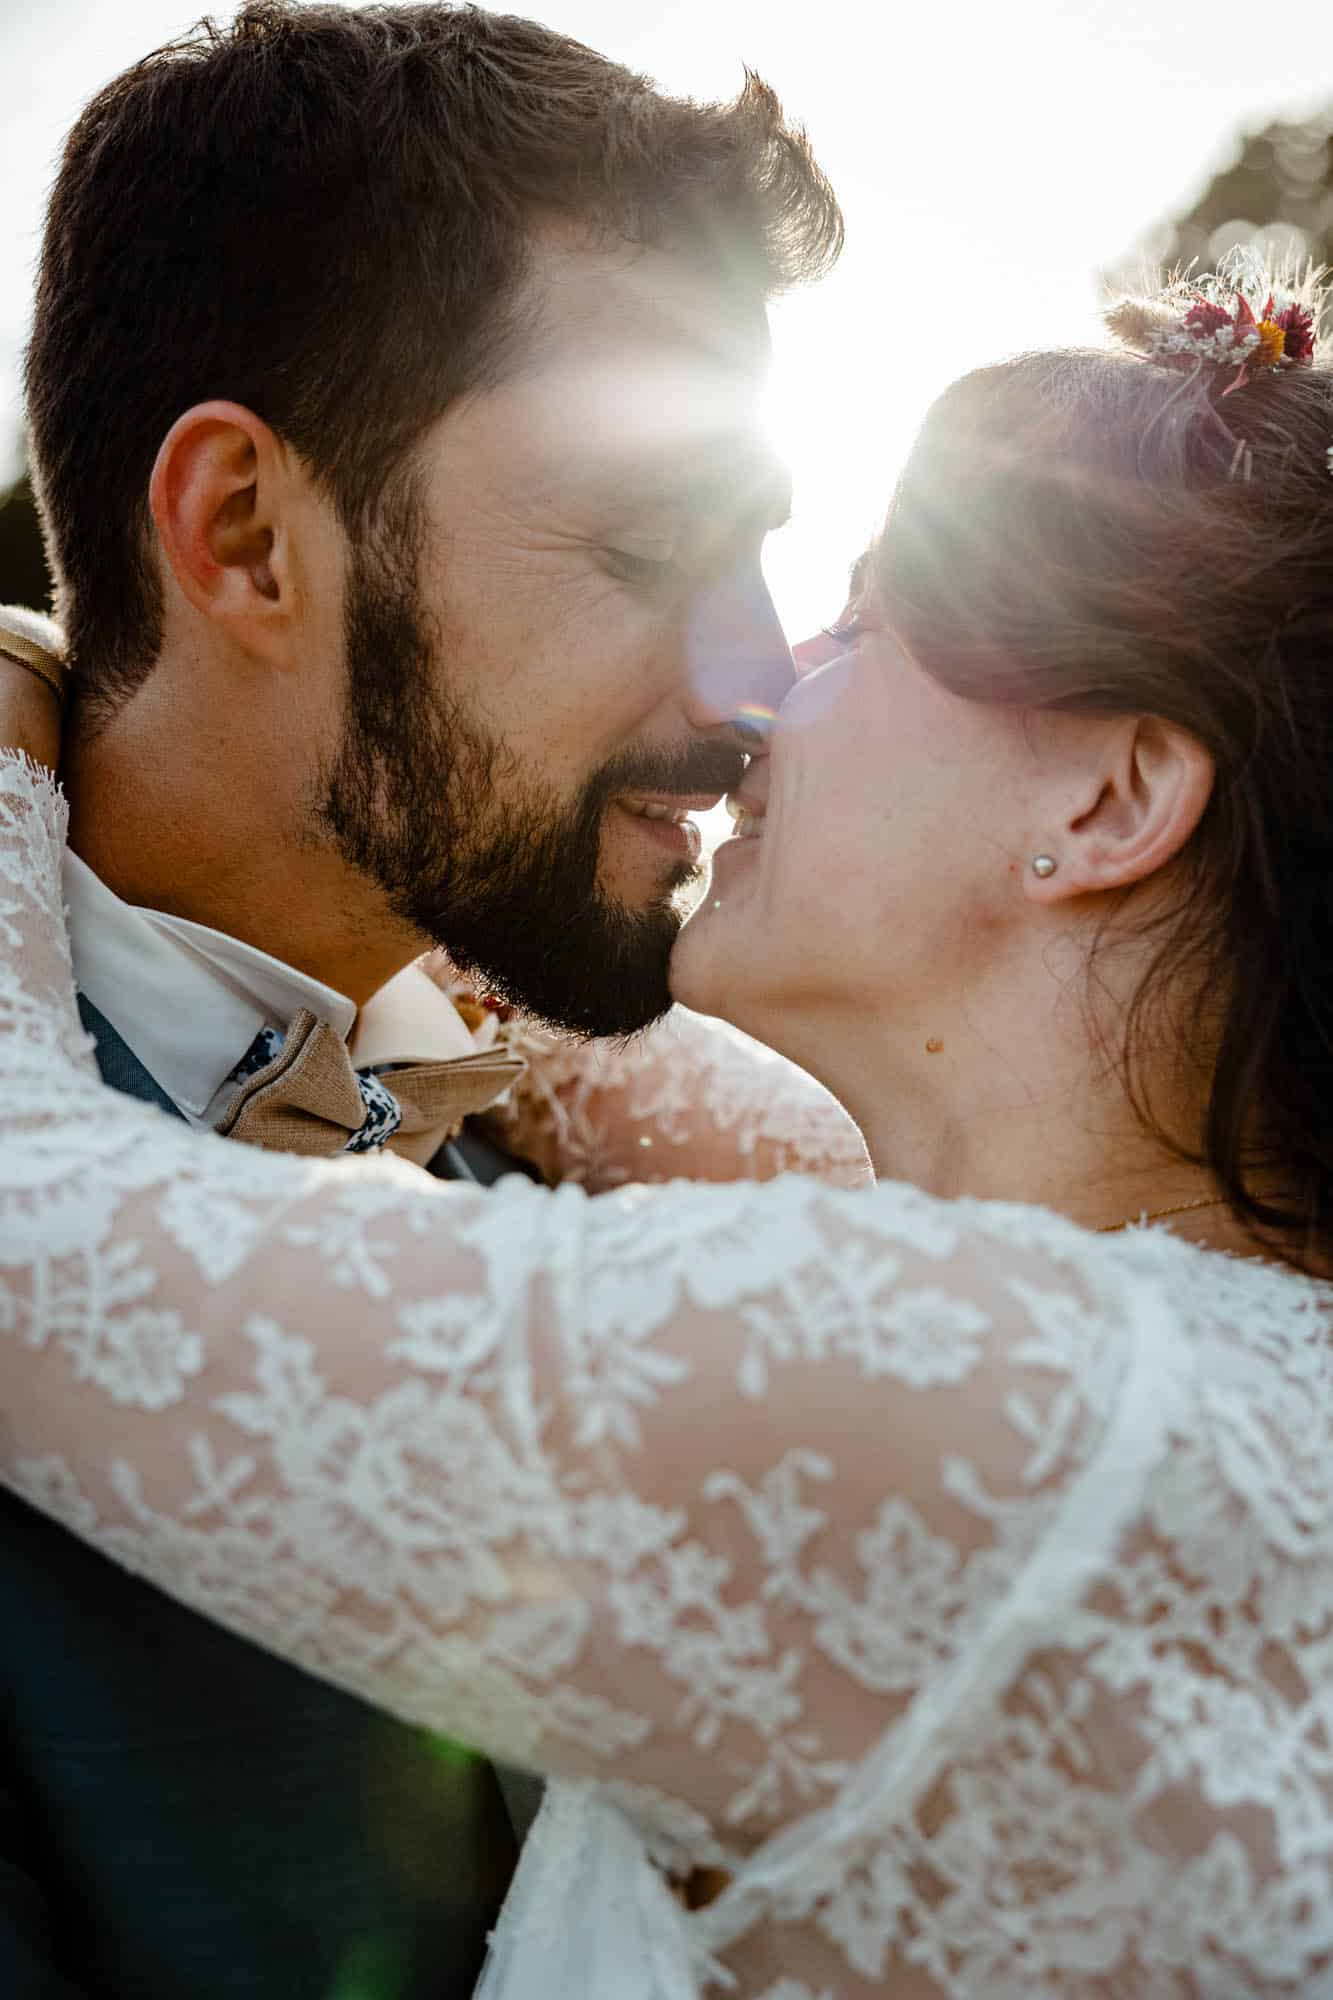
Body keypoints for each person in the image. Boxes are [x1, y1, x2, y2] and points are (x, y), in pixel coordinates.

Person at [4, 255, 1333, 1997]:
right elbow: (566, 1046)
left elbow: (36, 1215)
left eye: (862, 624)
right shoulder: (1186, 1335)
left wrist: (19, 742)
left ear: (1109, 797)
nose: (764, 688)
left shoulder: (975, 1406)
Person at [0, 7, 866, 1997]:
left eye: (757, 553)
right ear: (238, 534)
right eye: (642, 545)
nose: (754, 684)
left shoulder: (610, 1181)